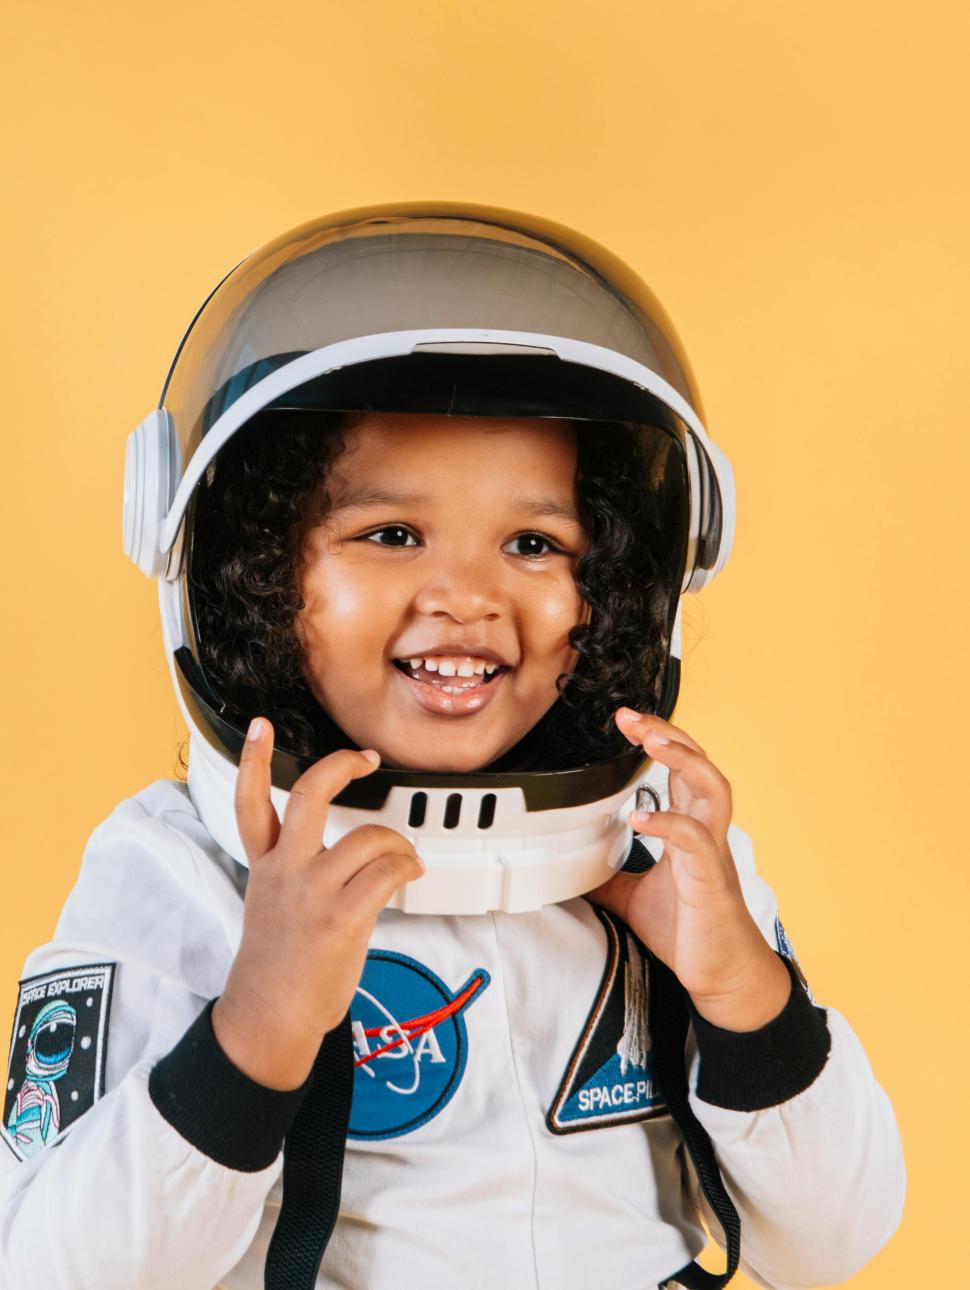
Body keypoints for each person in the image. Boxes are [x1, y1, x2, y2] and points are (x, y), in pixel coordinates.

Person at [0, 205, 905, 1290]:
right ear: (254, 573)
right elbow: (55, 1269)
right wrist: (257, 1027)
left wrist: (746, 1000)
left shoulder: (663, 851)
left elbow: (835, 1243)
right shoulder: (180, 873)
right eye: (390, 535)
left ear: (608, 591)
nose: (468, 596)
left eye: (534, 543)